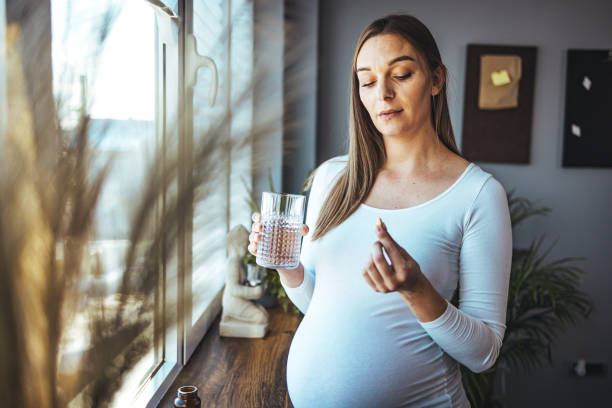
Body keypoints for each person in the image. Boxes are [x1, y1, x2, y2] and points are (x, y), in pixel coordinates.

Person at [248, 14, 512, 408]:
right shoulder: (332, 177)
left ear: (436, 80)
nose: (382, 93)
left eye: (401, 75)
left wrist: (416, 290)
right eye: (367, 81)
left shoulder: (477, 195)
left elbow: (484, 354)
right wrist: (287, 265)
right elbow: (320, 304)